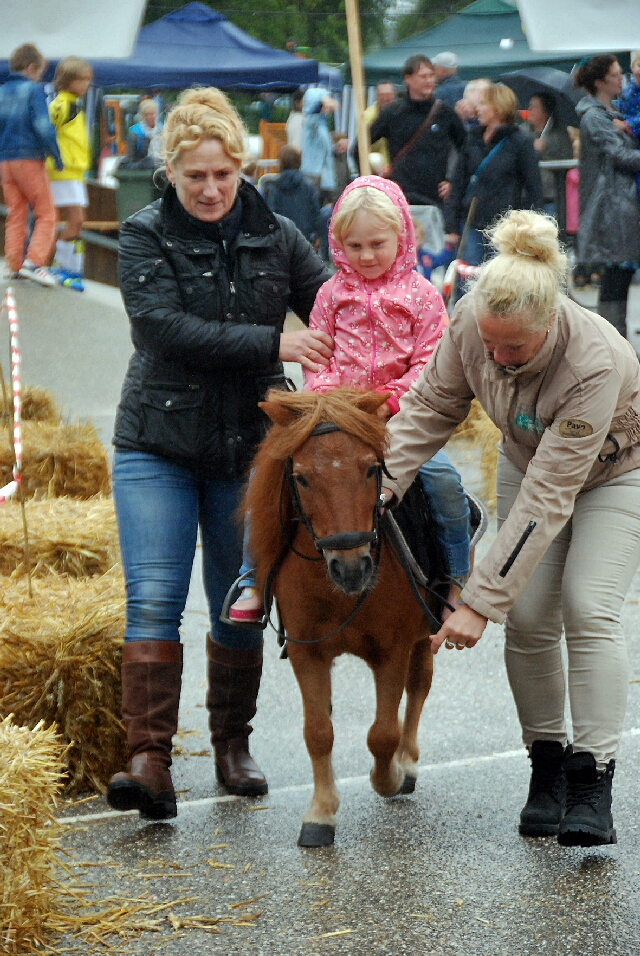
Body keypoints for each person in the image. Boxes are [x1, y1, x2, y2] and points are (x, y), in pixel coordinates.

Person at [106, 86, 332, 821]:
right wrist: (275, 342)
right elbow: (162, 328)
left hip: (250, 451)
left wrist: (394, 307)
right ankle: (150, 759)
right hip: (158, 444)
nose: (209, 189)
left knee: (240, 603)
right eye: (193, 175)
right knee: (153, 599)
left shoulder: (279, 231)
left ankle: (232, 746)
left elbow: (329, 303)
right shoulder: (144, 233)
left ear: (243, 168)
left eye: (222, 175)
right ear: (168, 170)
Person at [381, 208, 640, 848]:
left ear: (549, 322)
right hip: (527, 459)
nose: (496, 359)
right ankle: (546, 766)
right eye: (488, 345)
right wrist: (377, 486)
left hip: (613, 477)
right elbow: (432, 406)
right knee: (527, 620)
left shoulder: (595, 362)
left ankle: (593, 776)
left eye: (514, 349)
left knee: (587, 607)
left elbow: (553, 495)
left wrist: (477, 601)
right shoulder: (474, 320)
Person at [230, 176, 471, 624]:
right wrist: (327, 398)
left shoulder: (422, 297)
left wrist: (391, 399)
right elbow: (319, 356)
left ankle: (457, 577)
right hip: (335, 416)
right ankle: (253, 578)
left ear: (402, 236)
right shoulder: (330, 293)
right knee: (270, 473)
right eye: (354, 246)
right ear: (338, 244)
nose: (366, 256)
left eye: (377, 244)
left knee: (443, 482)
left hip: (398, 419)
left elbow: (430, 363)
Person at [444, 83, 542, 273]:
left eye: (482, 104)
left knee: (501, 280)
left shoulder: (519, 142)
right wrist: (452, 225)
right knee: (468, 281)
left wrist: (529, 227)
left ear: (498, 107)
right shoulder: (472, 139)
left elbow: (533, 188)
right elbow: (458, 183)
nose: (477, 109)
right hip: (472, 222)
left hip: (505, 227)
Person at [575, 54, 640, 340]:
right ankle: (614, 346)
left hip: (622, 206)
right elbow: (620, 155)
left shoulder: (613, 113)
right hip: (611, 210)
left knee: (619, 279)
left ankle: (615, 344)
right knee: (615, 279)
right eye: (615, 74)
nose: (621, 77)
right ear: (600, 82)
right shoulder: (594, 118)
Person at [0, 43, 62, 287]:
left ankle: (14, 264)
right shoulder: (33, 90)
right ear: (31, 68)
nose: (39, 77)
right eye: (39, 72)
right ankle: (34, 262)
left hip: (5, 161)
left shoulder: (2, 91)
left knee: (16, 213)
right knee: (46, 212)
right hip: (28, 158)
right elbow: (43, 126)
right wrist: (55, 155)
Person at [367, 54, 466, 206]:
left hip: (435, 200)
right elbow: (359, 147)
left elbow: (467, 150)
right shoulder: (392, 113)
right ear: (408, 79)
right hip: (399, 200)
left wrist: (453, 181)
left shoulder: (445, 113)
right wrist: (376, 182)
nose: (429, 81)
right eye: (423, 76)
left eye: (431, 76)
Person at [46, 56, 93, 289]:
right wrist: (53, 159)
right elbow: (45, 130)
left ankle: (70, 266)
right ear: (68, 80)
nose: (86, 85)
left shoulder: (74, 104)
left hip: (74, 171)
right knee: (75, 219)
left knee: (75, 219)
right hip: (64, 170)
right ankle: (63, 266)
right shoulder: (62, 105)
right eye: (82, 80)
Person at [523, 91, 573, 217]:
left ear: (545, 112)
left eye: (534, 107)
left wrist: (545, 148)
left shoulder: (560, 135)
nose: (530, 110)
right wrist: (531, 147)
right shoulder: (522, 132)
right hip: (526, 195)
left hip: (550, 195)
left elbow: (567, 159)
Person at [262, 144, 322, 243]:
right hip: (304, 238)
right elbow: (315, 213)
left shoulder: (274, 187)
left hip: (281, 239)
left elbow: (270, 215)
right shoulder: (308, 186)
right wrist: (315, 235)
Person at [301, 87, 339, 202]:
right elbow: (312, 112)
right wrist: (320, 101)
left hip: (323, 179)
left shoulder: (322, 125)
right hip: (313, 176)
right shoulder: (310, 122)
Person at [363, 80, 396, 171]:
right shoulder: (368, 117)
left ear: (394, 95)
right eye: (382, 95)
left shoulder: (401, 114)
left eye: (388, 94)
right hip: (377, 170)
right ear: (376, 96)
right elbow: (364, 145)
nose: (385, 98)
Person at [122, 97, 162, 169]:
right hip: (142, 168)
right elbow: (130, 158)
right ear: (142, 116)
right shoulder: (134, 132)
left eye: (152, 114)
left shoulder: (163, 129)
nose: (150, 117)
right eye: (147, 114)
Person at [615, 51, 640, 139]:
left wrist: (626, 124)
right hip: (628, 138)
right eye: (639, 65)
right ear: (632, 67)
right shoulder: (627, 89)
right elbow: (620, 104)